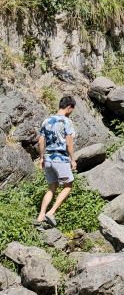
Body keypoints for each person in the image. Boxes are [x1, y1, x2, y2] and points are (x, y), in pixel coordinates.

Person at [35, 95, 77, 227]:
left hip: (48, 159)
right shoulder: (66, 122)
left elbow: (41, 141)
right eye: (72, 109)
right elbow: (69, 144)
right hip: (61, 158)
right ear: (69, 107)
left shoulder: (46, 121)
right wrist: (73, 160)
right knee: (68, 185)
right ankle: (51, 212)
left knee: (51, 187)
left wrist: (41, 158)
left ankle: (40, 216)